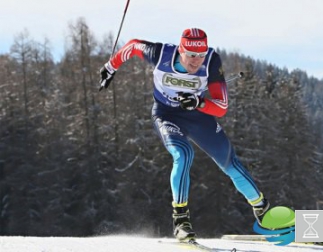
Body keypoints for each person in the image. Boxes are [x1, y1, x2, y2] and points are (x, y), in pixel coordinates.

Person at [99, 28, 270, 241]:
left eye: (200, 55)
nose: (195, 61)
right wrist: (110, 66)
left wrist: (199, 102)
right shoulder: (160, 54)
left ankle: (263, 212)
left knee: (230, 162)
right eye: (190, 54)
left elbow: (222, 106)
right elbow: (133, 45)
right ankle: (180, 221)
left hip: (197, 115)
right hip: (166, 115)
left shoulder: (211, 61)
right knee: (183, 153)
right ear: (181, 49)